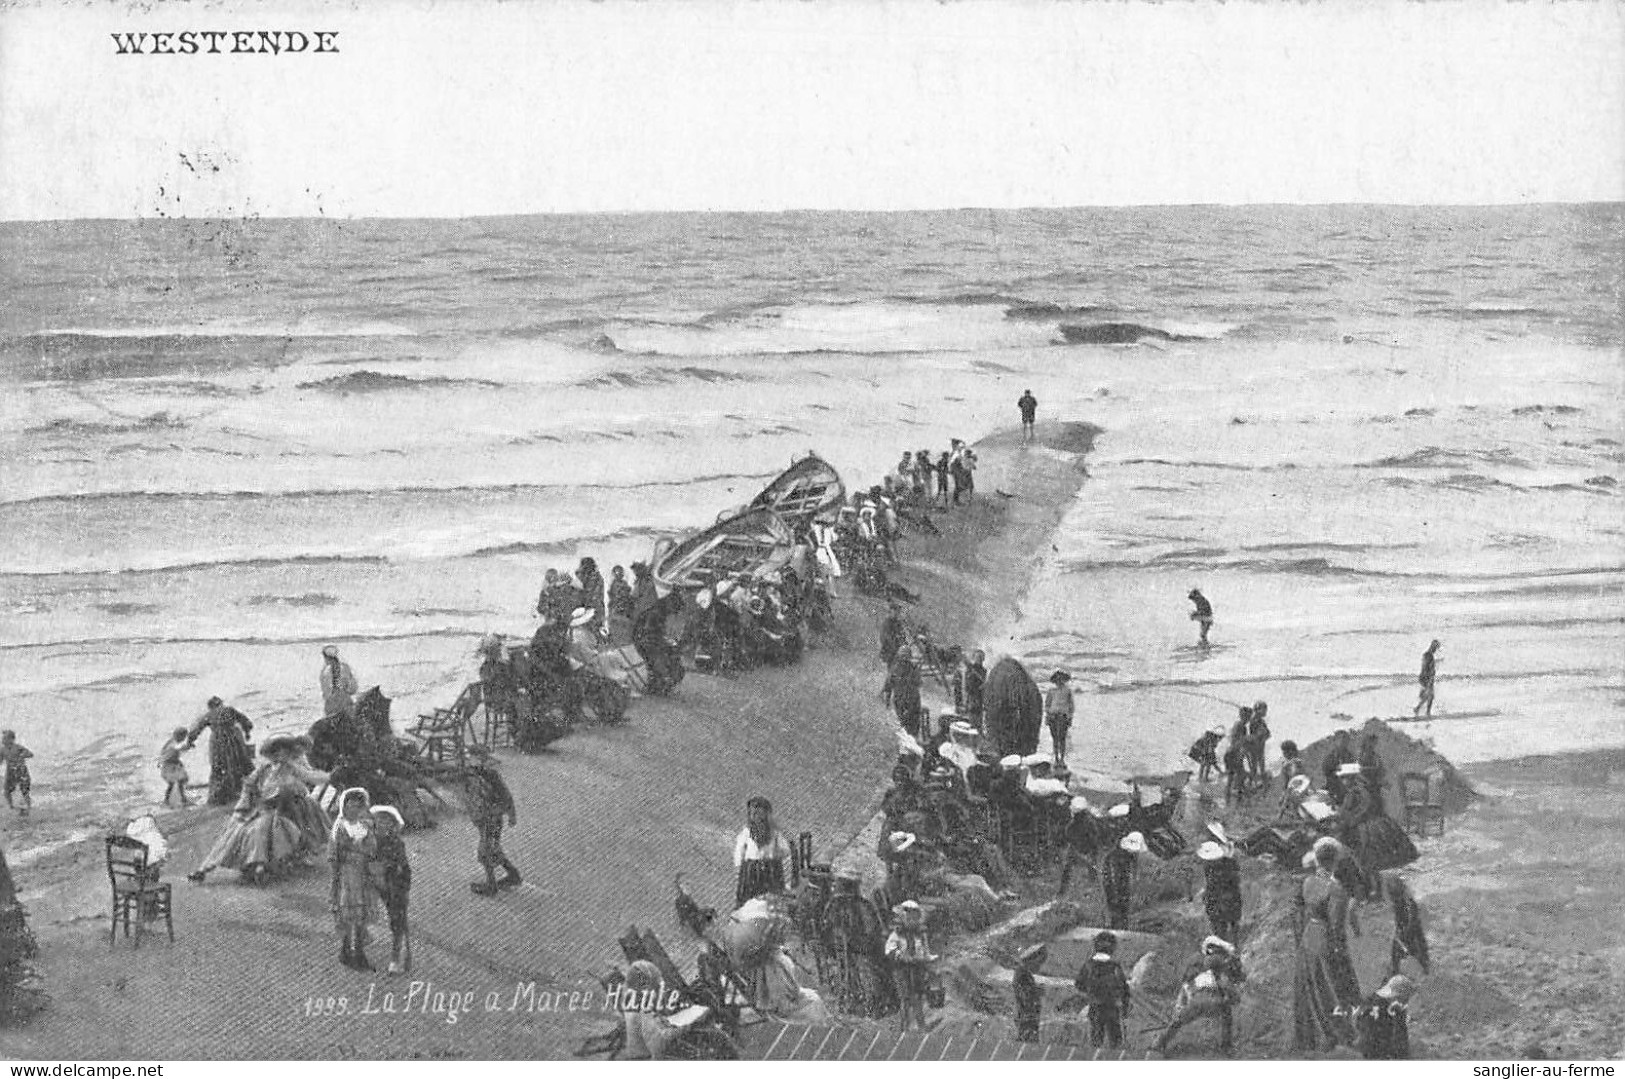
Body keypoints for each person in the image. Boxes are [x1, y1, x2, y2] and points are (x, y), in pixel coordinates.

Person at [188, 734, 330, 885]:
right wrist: (241, 808)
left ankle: (264, 867)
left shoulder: (292, 768)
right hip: (261, 809)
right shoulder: (264, 769)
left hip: (284, 810)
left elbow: (311, 777)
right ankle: (204, 870)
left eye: (284, 751)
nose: (280, 755)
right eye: (277, 751)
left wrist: (332, 777)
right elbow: (249, 786)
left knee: (271, 831)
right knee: (234, 834)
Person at [1293, 836, 1363, 1053]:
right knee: (1331, 987)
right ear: (1335, 862)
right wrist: (1340, 950)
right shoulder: (1336, 889)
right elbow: (1336, 926)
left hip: (1308, 937)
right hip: (1324, 939)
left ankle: (1310, 1036)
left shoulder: (1307, 882)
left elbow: (1301, 911)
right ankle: (1339, 1034)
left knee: (1310, 987)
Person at [1155, 936, 1245, 1057]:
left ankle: (1159, 1043)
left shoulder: (1201, 963)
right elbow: (1227, 985)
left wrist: (1181, 1005)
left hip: (1200, 997)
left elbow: (1186, 985)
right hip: (1211, 996)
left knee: (1179, 1020)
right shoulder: (1219, 963)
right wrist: (1233, 997)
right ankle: (1226, 1047)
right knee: (1226, 1016)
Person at [329, 788, 377, 971]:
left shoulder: (366, 826)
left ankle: (350, 950)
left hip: (363, 875)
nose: (354, 811)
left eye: (358, 807)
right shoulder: (340, 827)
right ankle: (354, 952)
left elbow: (373, 849)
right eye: (350, 807)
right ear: (344, 807)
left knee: (361, 916)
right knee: (351, 915)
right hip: (348, 877)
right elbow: (334, 854)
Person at [465, 751, 519, 896]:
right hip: (486, 818)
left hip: (491, 818)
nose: (470, 760)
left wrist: (511, 814)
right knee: (493, 848)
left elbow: (506, 795)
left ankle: (491, 885)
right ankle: (513, 875)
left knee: (485, 852)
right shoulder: (474, 775)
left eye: (472, 757)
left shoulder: (490, 775)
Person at [185, 696, 256, 805]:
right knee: (239, 762)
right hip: (234, 738)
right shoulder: (230, 710)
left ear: (210, 706)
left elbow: (197, 729)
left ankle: (222, 795)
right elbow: (246, 722)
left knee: (219, 766)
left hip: (218, 742)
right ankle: (240, 790)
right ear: (220, 703)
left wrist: (190, 742)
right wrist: (247, 733)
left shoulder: (209, 715)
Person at [370, 804, 412, 975]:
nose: (381, 824)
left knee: (397, 918)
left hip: (394, 883)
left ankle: (397, 956)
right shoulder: (368, 840)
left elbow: (400, 867)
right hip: (374, 881)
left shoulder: (396, 843)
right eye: (378, 820)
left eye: (386, 821)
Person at [883, 900, 935, 1034]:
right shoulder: (897, 934)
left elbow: (925, 950)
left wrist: (927, 960)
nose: (912, 919)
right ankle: (904, 1028)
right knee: (905, 998)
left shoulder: (920, 934)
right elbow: (890, 949)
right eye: (909, 916)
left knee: (917, 997)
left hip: (916, 968)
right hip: (902, 969)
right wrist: (901, 955)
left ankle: (921, 1026)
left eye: (914, 916)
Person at [1074, 930, 1131, 1050]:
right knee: (1115, 1040)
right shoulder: (1115, 966)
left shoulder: (1088, 965)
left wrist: (1091, 992)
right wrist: (1125, 1006)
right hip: (1112, 1007)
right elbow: (1124, 988)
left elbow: (1079, 984)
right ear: (1113, 948)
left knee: (1096, 1038)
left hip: (1095, 1006)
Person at [734, 796, 791, 908]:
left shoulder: (774, 833)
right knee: (748, 901)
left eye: (760, 813)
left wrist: (775, 856)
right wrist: (740, 868)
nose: (757, 817)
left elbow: (786, 850)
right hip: (751, 872)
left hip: (770, 870)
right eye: (754, 814)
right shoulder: (746, 833)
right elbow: (739, 852)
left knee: (771, 900)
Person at [1353, 975, 1416, 1059]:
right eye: (1404, 999)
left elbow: (1401, 1039)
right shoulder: (1374, 1008)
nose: (1405, 1004)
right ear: (1396, 996)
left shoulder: (1395, 1009)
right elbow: (1369, 1040)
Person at [1383, 872, 1430, 978]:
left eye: (1394, 896)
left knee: (1417, 952)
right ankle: (1394, 972)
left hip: (1410, 932)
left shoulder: (1409, 903)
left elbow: (1413, 920)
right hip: (1405, 931)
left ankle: (1425, 969)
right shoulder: (1399, 903)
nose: (1393, 899)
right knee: (1398, 954)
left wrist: (1404, 934)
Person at [1198, 840, 1243, 945]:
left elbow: (1213, 885)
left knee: (1221, 925)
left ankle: (1228, 943)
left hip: (1221, 900)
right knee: (1231, 923)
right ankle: (1232, 942)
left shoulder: (1211, 867)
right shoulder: (1229, 863)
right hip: (1229, 898)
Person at [881, 645, 923, 741]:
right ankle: (908, 742)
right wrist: (887, 702)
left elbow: (918, 683)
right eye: (902, 657)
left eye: (905, 657)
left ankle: (912, 741)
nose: (904, 659)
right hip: (901, 700)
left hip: (912, 700)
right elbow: (888, 686)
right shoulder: (895, 669)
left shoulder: (912, 668)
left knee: (912, 725)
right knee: (905, 725)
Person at [1103, 831, 1143, 930]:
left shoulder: (1126, 854)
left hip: (1122, 882)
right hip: (1114, 882)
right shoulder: (1112, 856)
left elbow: (1134, 865)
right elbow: (1109, 874)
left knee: (1122, 903)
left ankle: (1122, 925)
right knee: (1116, 903)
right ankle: (1117, 925)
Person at [1012, 943, 1045, 1042]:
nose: (1039, 967)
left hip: (1027, 1018)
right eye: (1038, 962)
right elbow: (1026, 997)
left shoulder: (1023, 973)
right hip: (1027, 1019)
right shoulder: (1023, 976)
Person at [1044, 670, 1075, 768]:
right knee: (1054, 738)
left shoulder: (1068, 690)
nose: (1059, 681)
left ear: (1064, 680)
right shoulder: (1051, 691)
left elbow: (1071, 705)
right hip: (1053, 716)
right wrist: (1048, 715)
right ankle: (1056, 758)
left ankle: (1062, 759)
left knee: (1062, 738)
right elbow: (1047, 704)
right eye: (1057, 679)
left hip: (1063, 716)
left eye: (1061, 679)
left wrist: (1070, 717)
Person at [319, 645, 359, 717]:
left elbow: (326, 693)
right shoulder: (346, 667)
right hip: (346, 702)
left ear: (326, 658)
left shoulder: (325, 671)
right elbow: (354, 688)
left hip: (332, 705)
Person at [158, 727, 192, 808]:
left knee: (181, 780)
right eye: (183, 737)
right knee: (172, 783)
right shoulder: (172, 743)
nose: (183, 739)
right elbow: (176, 748)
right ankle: (166, 800)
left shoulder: (173, 741)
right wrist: (187, 746)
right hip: (169, 766)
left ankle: (183, 798)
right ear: (178, 736)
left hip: (175, 765)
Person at [1321, 729, 1358, 804]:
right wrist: (1336, 770)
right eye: (1340, 738)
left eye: (1345, 739)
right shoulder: (1330, 757)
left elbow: (1354, 770)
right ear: (1335, 741)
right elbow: (1326, 771)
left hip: (1348, 784)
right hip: (1333, 784)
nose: (1342, 741)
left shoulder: (1350, 756)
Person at [2, 730, 33, 815]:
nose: (2, 740)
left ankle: (29, 807)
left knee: (24, 790)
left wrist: (22, 755)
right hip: (10, 771)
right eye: (2, 738)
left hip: (21, 770)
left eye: (5, 738)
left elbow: (30, 754)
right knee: (7, 790)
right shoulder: (2, 750)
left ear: (11, 739)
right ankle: (11, 806)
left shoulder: (18, 747)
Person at [577, 557, 606, 635]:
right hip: (591, 606)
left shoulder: (595, 578)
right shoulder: (589, 576)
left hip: (594, 607)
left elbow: (590, 594)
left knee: (594, 628)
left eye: (585, 567)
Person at [1244, 701, 1271, 784]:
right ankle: (1251, 784)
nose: (1265, 712)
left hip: (1260, 747)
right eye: (1264, 710)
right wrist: (1261, 734)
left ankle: (1261, 781)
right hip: (1254, 748)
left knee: (1261, 765)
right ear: (1258, 710)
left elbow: (1268, 733)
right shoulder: (1253, 721)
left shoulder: (1261, 721)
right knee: (1254, 767)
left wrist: (1264, 734)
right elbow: (1252, 736)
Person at [1414, 640, 1440, 717]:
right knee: (1429, 695)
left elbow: (1428, 666)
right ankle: (1424, 711)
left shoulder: (1428, 655)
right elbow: (1426, 667)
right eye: (1435, 647)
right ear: (1432, 647)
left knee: (1428, 695)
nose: (1436, 650)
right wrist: (1429, 678)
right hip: (1426, 677)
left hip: (1426, 677)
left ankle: (1420, 709)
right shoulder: (1428, 655)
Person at [879, 601, 907, 667]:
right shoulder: (887, 623)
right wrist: (897, 648)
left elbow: (902, 635)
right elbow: (885, 639)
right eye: (896, 611)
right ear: (891, 611)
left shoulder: (898, 622)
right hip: (889, 652)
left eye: (899, 611)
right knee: (893, 670)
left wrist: (904, 645)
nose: (898, 613)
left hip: (898, 650)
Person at [963, 648, 987, 723]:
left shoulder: (984, 670)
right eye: (977, 657)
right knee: (972, 721)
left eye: (981, 657)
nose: (979, 659)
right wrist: (979, 688)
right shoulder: (970, 670)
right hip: (972, 699)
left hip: (980, 699)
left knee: (980, 720)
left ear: (983, 659)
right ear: (974, 658)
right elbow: (968, 687)